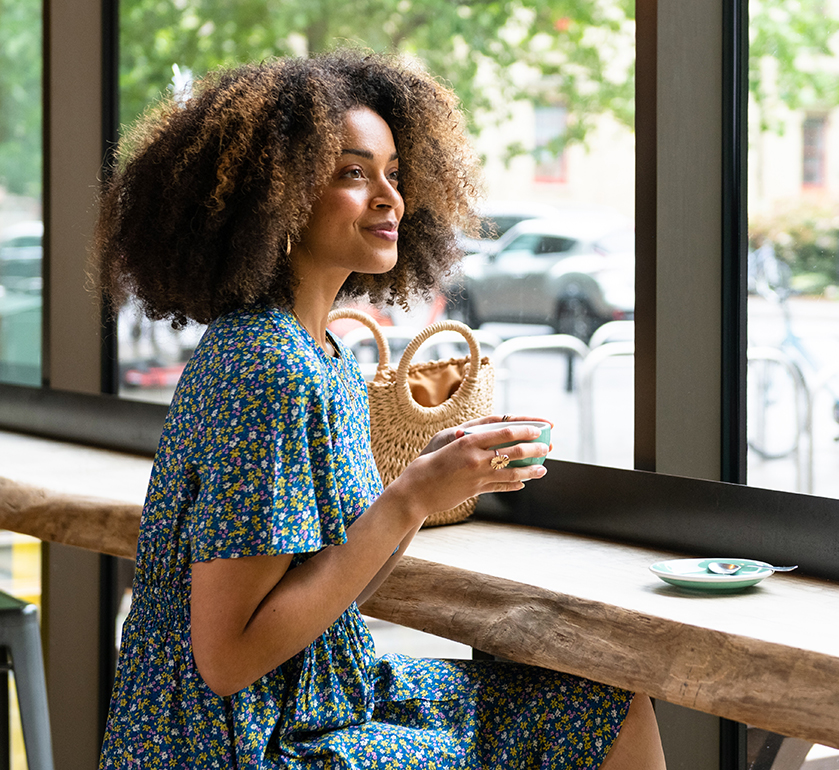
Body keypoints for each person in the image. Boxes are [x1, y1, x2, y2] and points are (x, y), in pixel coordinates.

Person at [94, 49, 665, 769]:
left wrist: (426, 490)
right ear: (279, 197)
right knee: (593, 713)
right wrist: (407, 499)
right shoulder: (265, 367)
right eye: (354, 173)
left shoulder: (318, 353)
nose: (391, 197)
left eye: (393, 172)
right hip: (240, 742)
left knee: (602, 699)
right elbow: (228, 660)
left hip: (312, 695)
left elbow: (326, 590)